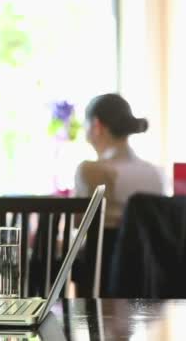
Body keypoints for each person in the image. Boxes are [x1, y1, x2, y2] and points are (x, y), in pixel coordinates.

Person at [73, 93, 164, 295]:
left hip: (106, 274)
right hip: (151, 275)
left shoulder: (92, 171)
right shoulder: (156, 172)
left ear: (96, 125)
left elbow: (79, 223)